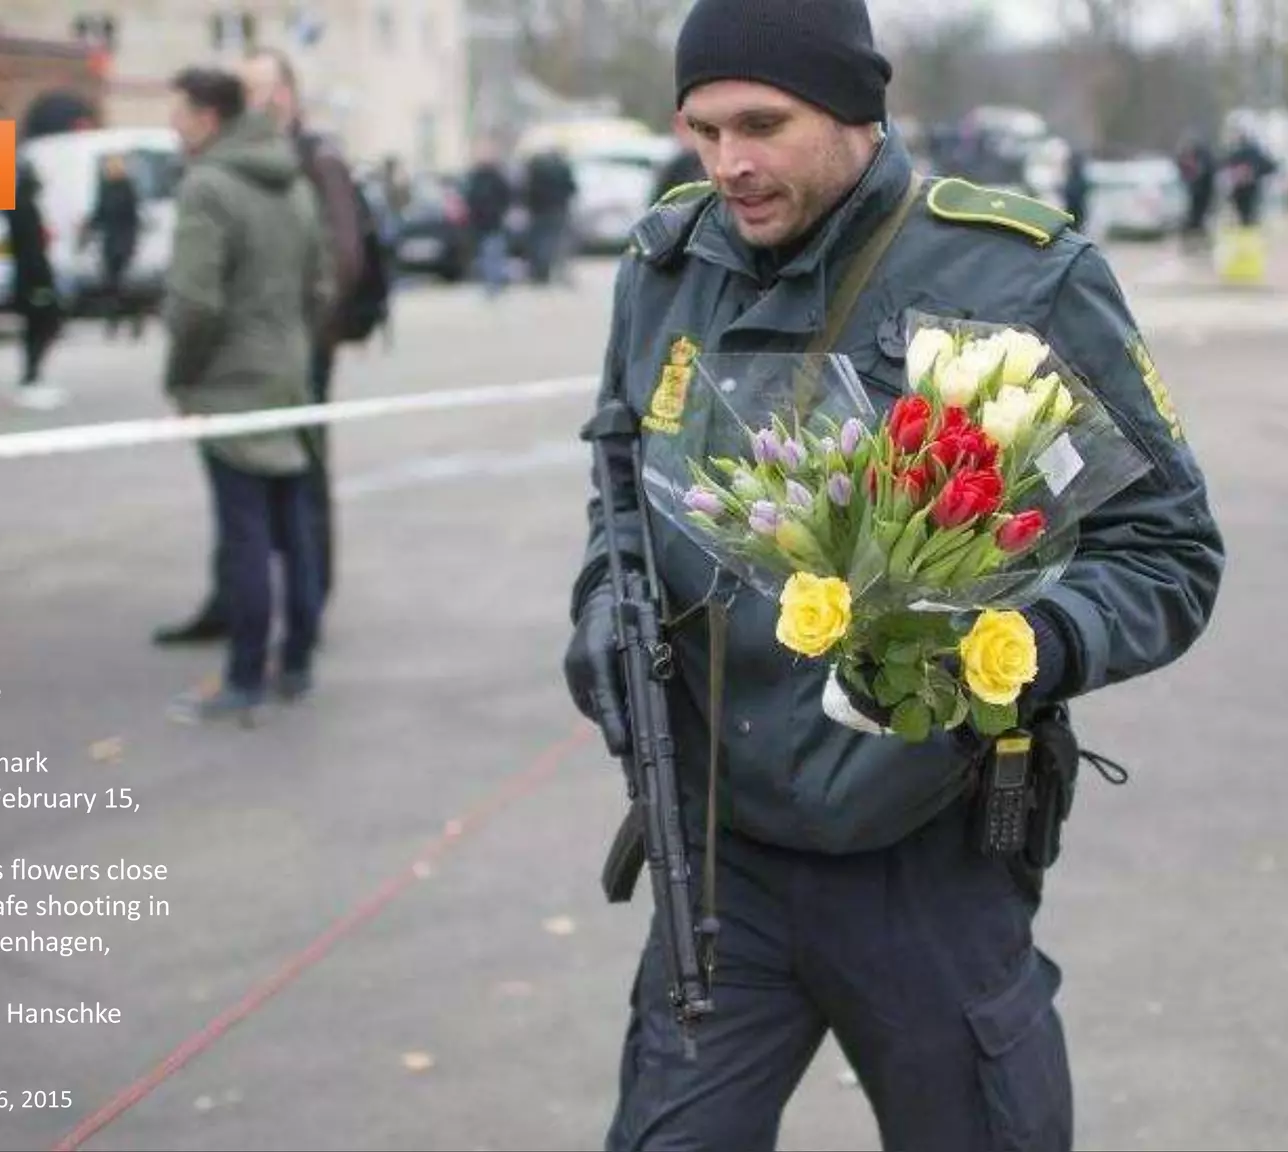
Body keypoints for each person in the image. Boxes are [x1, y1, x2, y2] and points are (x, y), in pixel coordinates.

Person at [560, 1, 1223, 1147]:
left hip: (928, 857)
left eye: (762, 124)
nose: (731, 164)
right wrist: (602, 606)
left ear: (855, 107)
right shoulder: (669, 263)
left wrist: (1024, 647)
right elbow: (620, 487)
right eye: (703, 130)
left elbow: (1166, 551)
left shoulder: (1017, 274)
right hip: (722, 855)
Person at [154, 50, 364, 648]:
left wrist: (183, 374)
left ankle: (253, 666)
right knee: (275, 516)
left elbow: (196, 301)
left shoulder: (250, 176)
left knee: (261, 517)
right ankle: (284, 645)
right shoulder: (282, 171)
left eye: (182, 113)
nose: (174, 124)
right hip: (286, 365)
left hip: (258, 371)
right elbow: (319, 278)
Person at [6, 159, 66, 410]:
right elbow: (31, 247)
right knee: (44, 323)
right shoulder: (23, 207)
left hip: (29, 275)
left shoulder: (21, 206)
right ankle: (30, 373)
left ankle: (32, 373)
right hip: (34, 277)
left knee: (39, 326)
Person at [84, 153, 145, 340]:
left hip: (124, 241)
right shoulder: (105, 188)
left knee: (122, 284)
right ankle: (115, 322)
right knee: (110, 284)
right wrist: (87, 229)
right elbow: (99, 213)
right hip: (109, 242)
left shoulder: (127, 188)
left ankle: (131, 320)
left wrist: (132, 241)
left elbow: (134, 218)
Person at [463, 144, 514, 298]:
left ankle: (494, 283)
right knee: (488, 254)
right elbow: (469, 198)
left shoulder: (495, 177)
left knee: (494, 252)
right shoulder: (476, 177)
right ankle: (491, 283)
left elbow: (506, 196)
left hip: (493, 221)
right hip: (482, 223)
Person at [522, 148, 578, 285]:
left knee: (540, 243)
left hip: (538, 210)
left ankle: (540, 273)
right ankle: (561, 272)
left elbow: (528, 190)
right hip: (558, 209)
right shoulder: (562, 168)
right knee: (559, 242)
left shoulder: (536, 169)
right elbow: (572, 187)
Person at [1222, 129, 1278, 228]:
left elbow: (1226, 164)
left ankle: (1246, 224)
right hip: (1251, 186)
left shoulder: (1237, 153)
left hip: (1241, 187)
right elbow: (1270, 166)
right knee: (1250, 211)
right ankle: (1248, 225)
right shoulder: (1255, 154)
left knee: (1243, 210)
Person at [1176, 132, 1218, 251]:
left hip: (1204, 195)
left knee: (1201, 220)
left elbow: (1206, 174)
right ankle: (1190, 246)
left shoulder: (1204, 159)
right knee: (1191, 221)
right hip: (1192, 194)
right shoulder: (1183, 159)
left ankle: (1203, 245)